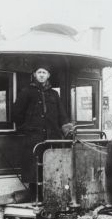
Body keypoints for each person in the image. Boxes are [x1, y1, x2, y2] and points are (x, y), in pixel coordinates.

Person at [12, 64, 73, 198]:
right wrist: (26, 127)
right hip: (33, 137)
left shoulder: (54, 94)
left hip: (52, 137)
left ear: (48, 75)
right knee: (35, 167)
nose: (41, 75)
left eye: (44, 72)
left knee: (52, 165)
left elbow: (62, 114)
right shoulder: (26, 92)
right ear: (34, 74)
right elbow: (16, 113)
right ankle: (35, 194)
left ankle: (51, 194)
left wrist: (66, 128)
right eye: (39, 72)